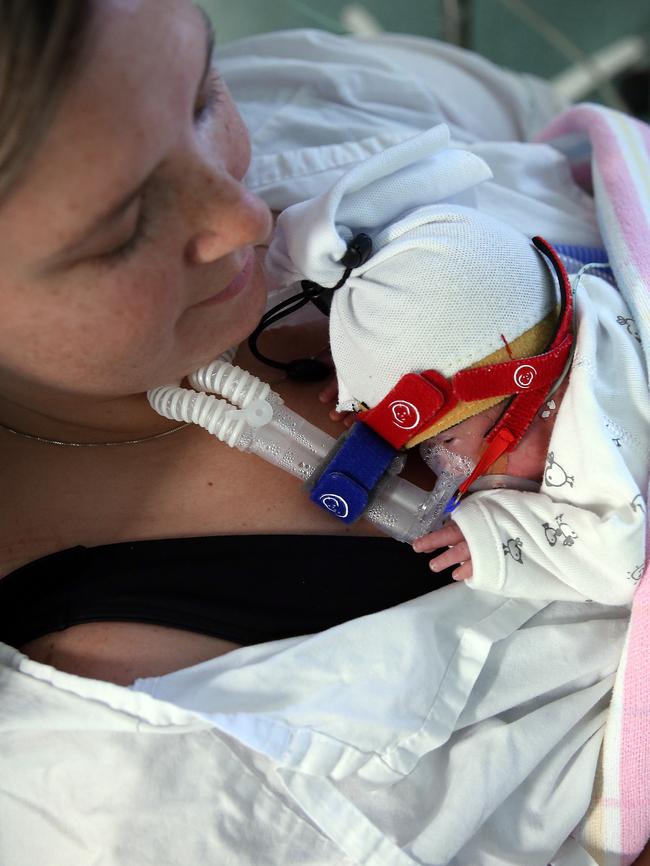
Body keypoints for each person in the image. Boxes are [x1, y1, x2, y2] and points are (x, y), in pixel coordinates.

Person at [0, 3, 646, 865]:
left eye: (200, 94)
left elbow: (549, 131)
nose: (247, 217)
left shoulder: (306, 99)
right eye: (119, 229)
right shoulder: (108, 778)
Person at [265, 128, 647, 605]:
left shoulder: (589, 436)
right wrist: (369, 364)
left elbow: (617, 562)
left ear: (532, 388)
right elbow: (496, 288)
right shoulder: (552, 306)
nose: (437, 463)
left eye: (444, 440)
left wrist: (498, 538)